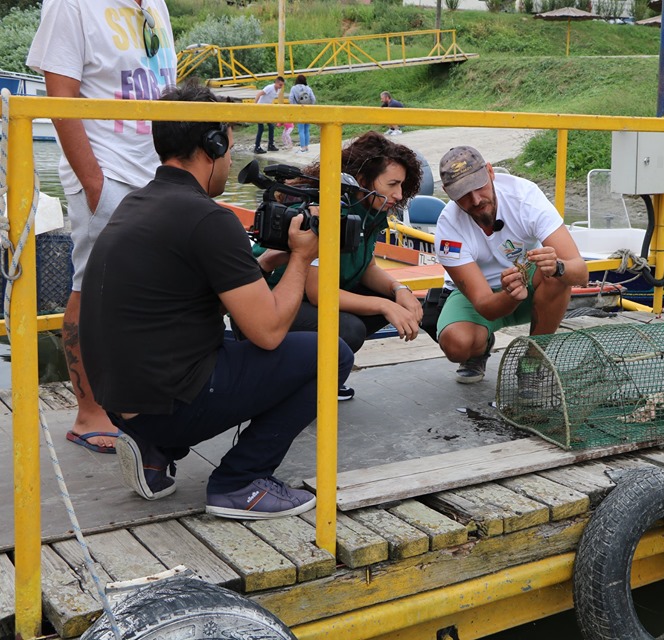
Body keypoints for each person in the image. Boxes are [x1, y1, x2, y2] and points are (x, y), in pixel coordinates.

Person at [80, 83, 354, 520]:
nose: (230, 156)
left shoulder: (138, 202)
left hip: (123, 400)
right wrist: (302, 256)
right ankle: (240, 481)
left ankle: (156, 453)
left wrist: (264, 264)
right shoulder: (208, 218)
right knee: (328, 353)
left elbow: (184, 301)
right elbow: (267, 332)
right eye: (229, 140)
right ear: (213, 143)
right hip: (167, 402)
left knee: (228, 346)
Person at [26, 0, 177, 454]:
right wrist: (94, 183)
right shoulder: (71, 4)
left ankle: (141, 399)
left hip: (158, 169)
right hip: (108, 171)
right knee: (90, 285)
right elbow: (60, 98)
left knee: (153, 288)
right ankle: (88, 410)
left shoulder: (155, 4)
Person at [266, 132, 422, 399]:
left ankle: (321, 371)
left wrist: (399, 290)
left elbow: (367, 266)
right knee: (349, 328)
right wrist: (386, 305)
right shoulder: (327, 207)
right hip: (271, 302)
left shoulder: (370, 210)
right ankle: (296, 383)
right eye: (392, 184)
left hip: (309, 299)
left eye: (402, 185)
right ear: (361, 180)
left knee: (395, 303)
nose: (398, 194)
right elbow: (318, 293)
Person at [433, 146, 587, 385]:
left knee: (557, 275)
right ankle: (481, 347)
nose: (475, 200)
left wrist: (558, 267)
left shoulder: (525, 196)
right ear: (447, 193)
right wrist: (511, 296)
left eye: (479, 186)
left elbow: (580, 272)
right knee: (456, 345)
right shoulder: (447, 227)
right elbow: (485, 305)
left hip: (529, 281)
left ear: (490, 172)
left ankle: (533, 362)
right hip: (482, 296)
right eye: (463, 193)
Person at [254, 76, 285, 154]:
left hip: (267, 109)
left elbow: (270, 99)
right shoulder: (269, 88)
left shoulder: (278, 90)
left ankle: (270, 145)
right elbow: (259, 94)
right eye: (280, 85)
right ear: (276, 83)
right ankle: (257, 147)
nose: (281, 87)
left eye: (282, 85)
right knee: (261, 128)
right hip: (260, 109)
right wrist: (255, 106)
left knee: (271, 126)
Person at [289, 74, 316, 153]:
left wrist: (294, 107)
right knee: (307, 129)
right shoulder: (308, 88)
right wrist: (310, 106)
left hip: (299, 110)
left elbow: (291, 99)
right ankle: (307, 147)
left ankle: (302, 148)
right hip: (308, 110)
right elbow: (313, 99)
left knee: (301, 129)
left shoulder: (294, 88)